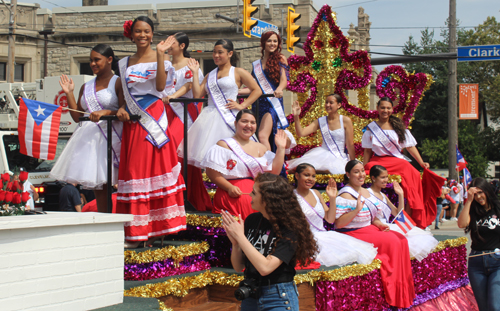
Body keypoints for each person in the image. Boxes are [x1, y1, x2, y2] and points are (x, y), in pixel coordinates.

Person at [116, 16, 186, 248]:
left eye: (146, 31)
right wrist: (123, 108)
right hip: (133, 121)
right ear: (131, 34)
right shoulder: (124, 62)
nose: (142, 35)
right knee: (136, 172)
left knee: (156, 169)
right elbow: (124, 95)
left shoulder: (162, 59)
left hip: (153, 118)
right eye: (138, 31)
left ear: (152, 34)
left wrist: (159, 54)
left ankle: (159, 230)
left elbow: (158, 87)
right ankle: (137, 231)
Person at [222, 172, 318, 311]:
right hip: (251, 294)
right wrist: (236, 243)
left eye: (254, 193)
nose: (250, 195)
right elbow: (238, 266)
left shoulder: (290, 228)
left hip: (278, 297)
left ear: (267, 199)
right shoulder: (252, 220)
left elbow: (265, 268)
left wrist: (241, 238)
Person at [50, 44, 123, 213]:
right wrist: (69, 93)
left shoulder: (118, 82)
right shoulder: (86, 86)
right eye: (91, 60)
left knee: (119, 188)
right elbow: (78, 117)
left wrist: (106, 112)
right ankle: (104, 224)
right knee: (100, 189)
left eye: (97, 60)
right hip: (90, 142)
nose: (93, 64)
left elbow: (124, 109)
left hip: (111, 138)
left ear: (109, 59)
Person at [335, 160, 415, 308]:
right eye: (356, 172)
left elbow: (374, 217)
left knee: (401, 239)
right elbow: (338, 223)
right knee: (394, 242)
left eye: (362, 171)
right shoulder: (345, 194)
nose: (361, 175)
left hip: (369, 228)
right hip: (353, 232)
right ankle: (394, 293)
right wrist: (356, 210)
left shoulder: (365, 191)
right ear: (348, 174)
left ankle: (403, 293)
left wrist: (378, 223)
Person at [178, 39, 262, 168]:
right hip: (209, 117)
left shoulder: (238, 71)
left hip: (229, 116)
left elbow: (257, 90)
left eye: (220, 52)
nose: (216, 56)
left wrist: (242, 105)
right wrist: (195, 73)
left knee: (233, 155)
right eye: (214, 52)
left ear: (229, 54)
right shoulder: (210, 75)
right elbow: (197, 95)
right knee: (212, 157)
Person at [362, 97, 443, 229]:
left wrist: (421, 163)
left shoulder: (398, 127)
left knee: (415, 174)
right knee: (368, 169)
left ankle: (411, 213)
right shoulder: (371, 128)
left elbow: (410, 147)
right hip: (377, 160)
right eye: (382, 107)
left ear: (392, 109)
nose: (385, 110)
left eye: (388, 108)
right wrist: (364, 166)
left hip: (397, 161)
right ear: (377, 108)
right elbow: (367, 151)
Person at [201, 109, 286, 220]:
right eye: (244, 121)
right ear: (236, 123)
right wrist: (229, 187)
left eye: (253, 122)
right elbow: (212, 173)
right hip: (231, 199)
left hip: (257, 201)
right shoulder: (224, 145)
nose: (249, 125)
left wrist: (281, 148)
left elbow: (274, 172)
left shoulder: (262, 148)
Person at [162, 32, 212, 212]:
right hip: (165, 111)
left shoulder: (191, 64)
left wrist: (174, 96)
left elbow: (191, 85)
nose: (169, 45)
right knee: (165, 153)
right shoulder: (165, 64)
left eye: (172, 42)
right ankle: (171, 198)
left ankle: (185, 197)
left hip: (183, 111)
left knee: (177, 154)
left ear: (182, 46)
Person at [294, 163, 377, 266]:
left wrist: (332, 198)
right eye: (306, 175)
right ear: (297, 176)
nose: (310, 179)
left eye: (313, 176)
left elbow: (330, 219)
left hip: (324, 235)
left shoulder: (316, 193)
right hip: (304, 239)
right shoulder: (291, 196)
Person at [368, 165, 438, 261]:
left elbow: (398, 213)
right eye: (382, 177)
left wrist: (401, 195)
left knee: (418, 237)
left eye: (386, 177)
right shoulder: (367, 193)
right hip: (376, 227)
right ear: (373, 178)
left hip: (387, 225)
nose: (386, 180)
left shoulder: (383, 195)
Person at [458, 178, 500, 311]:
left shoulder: (498, 208)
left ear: (487, 191)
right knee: (483, 307)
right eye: (475, 194)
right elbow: (462, 224)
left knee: (494, 305)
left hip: (497, 261)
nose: (479, 197)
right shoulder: (472, 210)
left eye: (481, 193)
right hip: (476, 264)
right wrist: (469, 201)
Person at [243, 30, 289, 152]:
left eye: (275, 41)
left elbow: (284, 80)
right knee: (258, 136)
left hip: (272, 102)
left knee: (263, 135)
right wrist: (235, 91)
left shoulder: (281, 58)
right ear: (263, 43)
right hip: (258, 104)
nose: (272, 43)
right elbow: (253, 88)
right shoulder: (257, 65)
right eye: (269, 41)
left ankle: (269, 165)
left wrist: (279, 89)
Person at [287, 94, 355, 174]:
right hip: (321, 154)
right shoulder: (321, 121)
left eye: (331, 102)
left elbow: (350, 144)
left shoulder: (345, 120)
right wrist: (296, 116)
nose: (328, 105)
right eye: (326, 102)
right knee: (305, 168)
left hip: (338, 156)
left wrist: (353, 163)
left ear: (339, 105)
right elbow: (301, 133)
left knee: (333, 171)